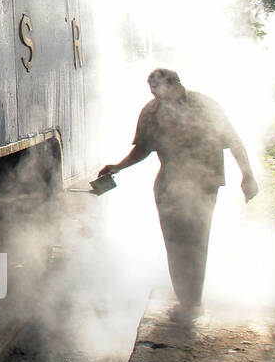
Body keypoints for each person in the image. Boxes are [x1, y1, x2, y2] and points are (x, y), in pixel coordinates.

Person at [99, 68, 259, 312]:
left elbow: (234, 142)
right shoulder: (151, 111)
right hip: (168, 185)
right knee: (173, 242)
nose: (157, 98)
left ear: (175, 85)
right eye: (153, 93)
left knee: (196, 240)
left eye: (160, 92)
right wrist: (118, 167)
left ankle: (193, 300)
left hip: (204, 183)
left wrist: (247, 175)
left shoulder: (206, 106)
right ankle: (186, 299)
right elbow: (142, 149)